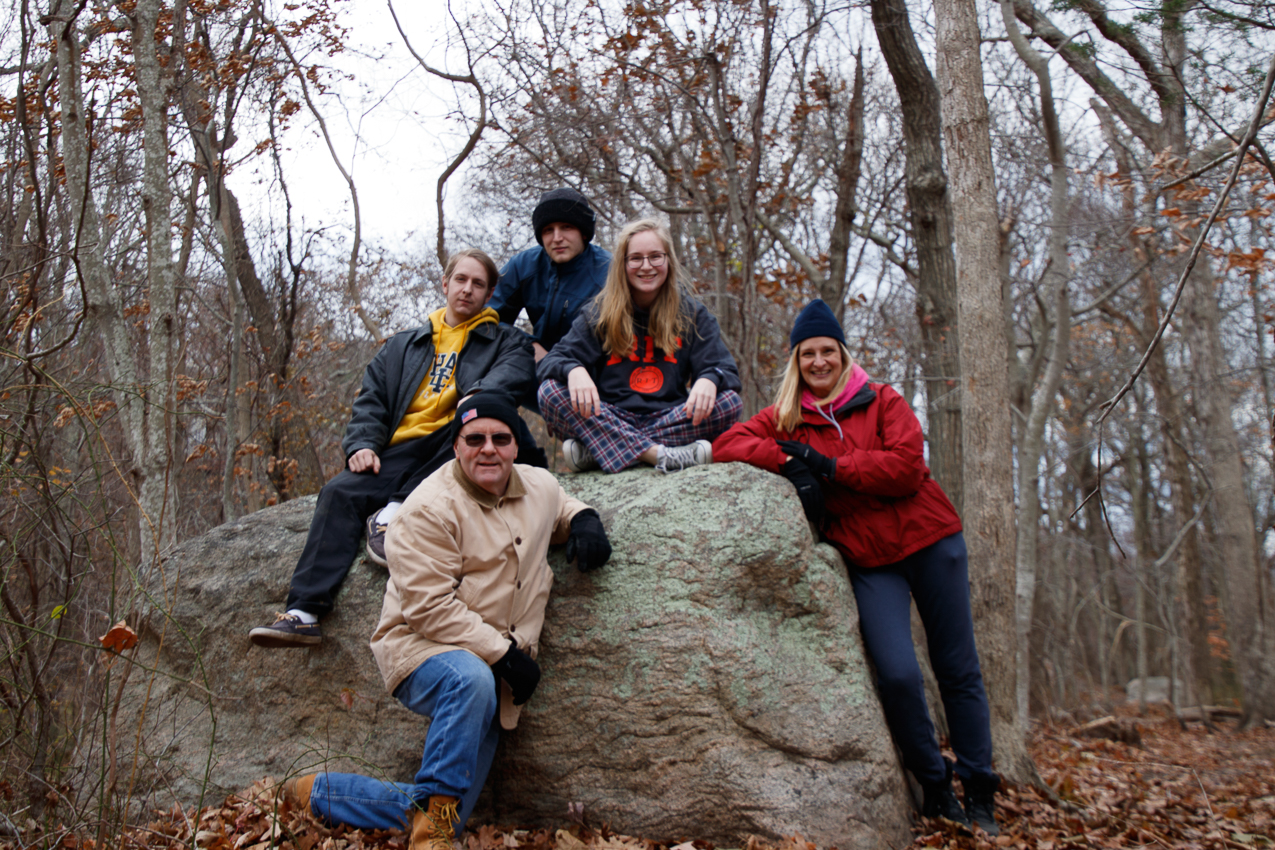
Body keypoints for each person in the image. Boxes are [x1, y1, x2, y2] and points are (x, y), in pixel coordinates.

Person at [711, 299, 1000, 835]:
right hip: (869, 558)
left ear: (843, 355)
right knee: (898, 674)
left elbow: (906, 468)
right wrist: (790, 461)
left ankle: (981, 787)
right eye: (807, 354)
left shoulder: (882, 399)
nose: (818, 362)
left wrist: (831, 466)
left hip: (931, 540)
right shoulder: (786, 418)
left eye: (828, 351)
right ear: (796, 361)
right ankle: (935, 784)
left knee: (957, 668)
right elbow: (729, 442)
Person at [277, 392, 612, 849]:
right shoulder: (426, 509)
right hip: (421, 648)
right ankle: (429, 841)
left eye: (500, 438)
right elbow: (428, 608)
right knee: (470, 680)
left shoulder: (538, 485)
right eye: (474, 439)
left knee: (444, 808)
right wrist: (505, 656)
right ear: (456, 446)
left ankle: (320, 794)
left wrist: (585, 519)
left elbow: (559, 505)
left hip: (494, 666)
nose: (488, 449)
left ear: (516, 446)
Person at [250, 250, 539, 648]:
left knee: (469, 428)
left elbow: (515, 374)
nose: (467, 290)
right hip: (399, 449)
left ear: (490, 294)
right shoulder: (403, 345)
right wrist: (363, 444)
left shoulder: (507, 341)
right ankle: (303, 612)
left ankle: (393, 514)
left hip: (453, 444)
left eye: (478, 284)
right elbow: (371, 401)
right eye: (460, 280)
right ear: (445, 284)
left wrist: (478, 394)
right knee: (339, 491)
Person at [536, 218, 743, 473]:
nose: (646, 266)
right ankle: (658, 454)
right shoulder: (599, 312)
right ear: (622, 265)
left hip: (670, 416)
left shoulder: (693, 314)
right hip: (608, 416)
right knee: (549, 392)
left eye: (655, 256)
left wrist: (710, 378)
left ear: (668, 260)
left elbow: (726, 371)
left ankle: (601, 450)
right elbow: (551, 362)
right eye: (635, 258)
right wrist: (573, 370)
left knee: (729, 402)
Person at [488, 187, 611, 365]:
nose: (557, 238)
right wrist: (529, 345)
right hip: (535, 363)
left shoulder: (608, 272)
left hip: (590, 367)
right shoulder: (524, 265)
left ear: (584, 232)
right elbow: (486, 318)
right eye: (548, 230)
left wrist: (565, 366)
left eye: (566, 227)